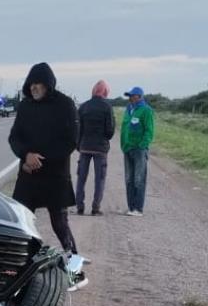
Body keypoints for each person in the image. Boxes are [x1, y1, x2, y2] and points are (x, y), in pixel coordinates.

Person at [8, 63, 79, 254]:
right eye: (30, 84)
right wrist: (26, 155)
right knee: (20, 220)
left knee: (59, 223)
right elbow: (14, 137)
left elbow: (71, 140)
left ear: (48, 84)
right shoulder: (25, 106)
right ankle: (24, 264)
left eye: (37, 83)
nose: (33, 87)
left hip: (56, 175)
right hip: (28, 174)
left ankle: (73, 264)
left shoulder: (65, 105)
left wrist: (40, 160)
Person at [75, 80, 115, 216]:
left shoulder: (84, 106)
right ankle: (95, 208)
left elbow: (78, 128)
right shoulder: (107, 107)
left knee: (81, 178)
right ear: (106, 91)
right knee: (100, 179)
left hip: (85, 146)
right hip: (100, 148)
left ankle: (80, 207)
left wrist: (78, 145)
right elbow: (110, 131)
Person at [120, 86, 155, 216]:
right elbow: (125, 127)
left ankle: (138, 209)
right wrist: (123, 144)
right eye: (129, 96)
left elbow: (149, 131)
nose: (130, 98)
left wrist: (142, 145)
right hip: (127, 148)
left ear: (139, 97)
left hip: (139, 150)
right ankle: (131, 207)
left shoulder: (146, 110)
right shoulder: (128, 109)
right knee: (129, 179)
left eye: (132, 96)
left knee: (138, 179)